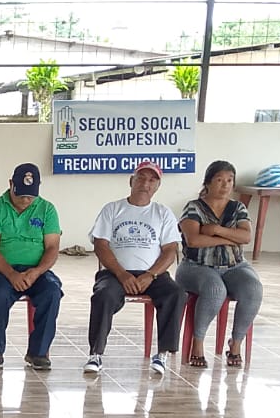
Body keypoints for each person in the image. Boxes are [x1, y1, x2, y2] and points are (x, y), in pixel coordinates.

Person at [85, 161, 182, 377]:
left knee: (175, 293)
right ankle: (95, 354)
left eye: (152, 180)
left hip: (153, 275)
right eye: (141, 178)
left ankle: (162, 354)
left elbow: (170, 250)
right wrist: (121, 274)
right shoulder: (112, 209)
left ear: (157, 186)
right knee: (103, 295)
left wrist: (151, 275)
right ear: (131, 181)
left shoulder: (162, 213)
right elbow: (101, 245)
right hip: (115, 273)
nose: (145, 184)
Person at [176, 159, 263, 369]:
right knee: (215, 290)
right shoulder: (194, 207)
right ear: (207, 183)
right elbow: (194, 240)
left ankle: (236, 343)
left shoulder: (238, 207)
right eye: (219, 180)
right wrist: (229, 238)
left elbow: (246, 237)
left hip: (234, 266)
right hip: (196, 266)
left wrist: (216, 230)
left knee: (253, 289)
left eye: (229, 180)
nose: (225, 185)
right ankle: (197, 343)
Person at [0, 161, 62, 370]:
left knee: (52, 292)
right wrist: (11, 274)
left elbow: (52, 248)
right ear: (10, 184)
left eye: (30, 196)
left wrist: (37, 272)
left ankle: (38, 353)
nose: (25, 200)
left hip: (36, 271)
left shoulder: (47, 209)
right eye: (21, 194)